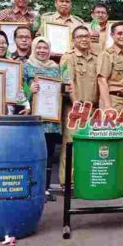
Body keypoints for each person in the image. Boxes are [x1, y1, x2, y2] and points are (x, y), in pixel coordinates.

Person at [58, 26, 99, 186]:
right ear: (73, 40)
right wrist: (77, 106)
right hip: (75, 109)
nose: (84, 39)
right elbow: (67, 83)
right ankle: (68, 182)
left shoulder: (96, 57)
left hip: (93, 109)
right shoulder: (68, 58)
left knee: (90, 145)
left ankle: (86, 180)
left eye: (86, 36)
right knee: (72, 145)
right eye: (80, 36)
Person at [23, 37, 62, 202]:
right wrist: (29, 89)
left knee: (49, 153)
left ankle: (45, 188)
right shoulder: (26, 66)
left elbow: (62, 87)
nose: (41, 50)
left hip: (52, 119)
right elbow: (17, 89)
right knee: (34, 153)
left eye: (45, 48)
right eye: (38, 47)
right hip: (35, 118)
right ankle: (33, 187)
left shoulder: (56, 68)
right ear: (33, 48)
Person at [97, 22, 123, 112]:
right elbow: (102, 80)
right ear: (112, 35)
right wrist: (108, 106)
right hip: (112, 100)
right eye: (119, 33)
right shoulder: (106, 55)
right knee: (110, 126)